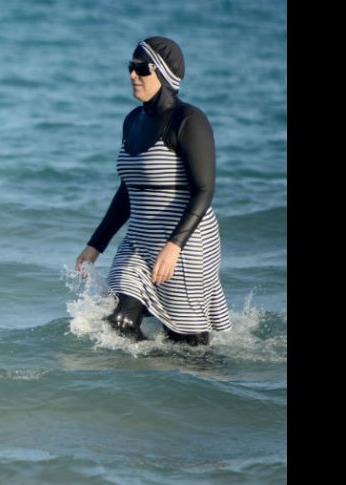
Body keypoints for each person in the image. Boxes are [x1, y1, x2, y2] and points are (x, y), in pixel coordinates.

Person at [75, 37, 231, 346]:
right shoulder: (133, 120)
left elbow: (204, 190)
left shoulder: (189, 120)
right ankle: (143, 380)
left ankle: (208, 385)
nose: (133, 75)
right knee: (116, 321)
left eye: (141, 68)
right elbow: (128, 191)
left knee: (189, 346)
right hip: (139, 240)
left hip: (186, 241)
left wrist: (175, 245)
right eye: (130, 67)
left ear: (163, 73)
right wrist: (96, 244)